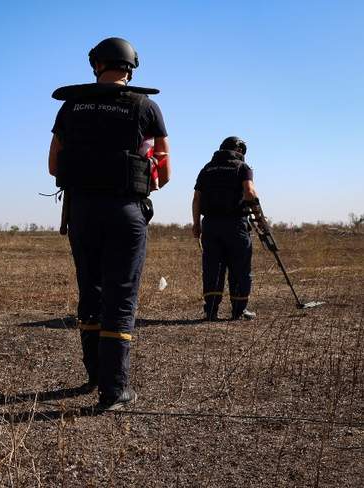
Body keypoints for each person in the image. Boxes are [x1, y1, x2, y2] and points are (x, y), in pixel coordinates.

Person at [49, 37, 170, 411]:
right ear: (131, 67)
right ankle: (114, 390)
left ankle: (95, 375)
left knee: (92, 290)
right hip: (125, 212)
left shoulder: (71, 107)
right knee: (121, 296)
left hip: (82, 212)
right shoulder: (145, 107)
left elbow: (54, 165)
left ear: (96, 65)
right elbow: (163, 172)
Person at [192, 137, 258, 321]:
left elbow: (197, 198)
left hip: (211, 225)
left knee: (212, 267)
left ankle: (211, 311)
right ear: (240, 151)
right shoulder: (242, 168)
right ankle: (239, 309)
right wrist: (258, 214)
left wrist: (196, 224)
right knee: (240, 266)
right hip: (235, 224)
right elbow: (250, 192)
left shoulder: (207, 169)